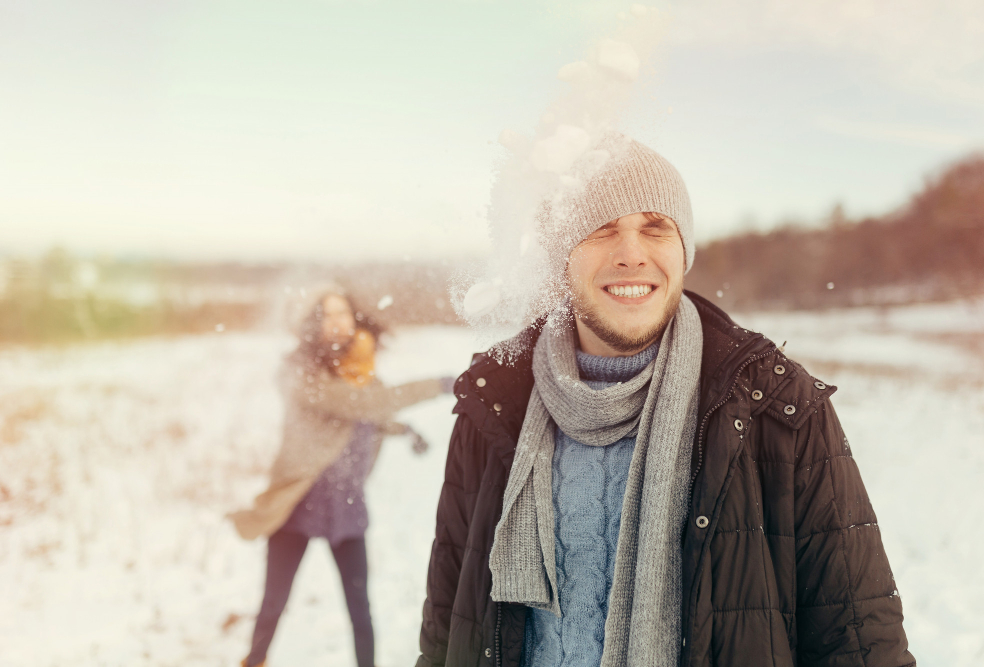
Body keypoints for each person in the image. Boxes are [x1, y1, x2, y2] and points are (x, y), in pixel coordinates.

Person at [416, 138, 915, 666]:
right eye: (601, 229)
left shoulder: (775, 406)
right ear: (561, 259)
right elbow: (450, 623)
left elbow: (860, 641)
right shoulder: (495, 403)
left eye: (655, 227)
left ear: (683, 251)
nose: (631, 253)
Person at [230, 287, 453, 667]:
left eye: (344, 313)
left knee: (360, 609)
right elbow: (358, 404)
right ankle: (253, 662)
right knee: (274, 602)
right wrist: (440, 384)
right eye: (328, 315)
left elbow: (370, 412)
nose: (337, 322)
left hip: (346, 507)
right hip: (296, 504)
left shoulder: (364, 377)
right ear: (314, 324)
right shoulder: (300, 372)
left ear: (355, 320)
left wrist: (403, 430)